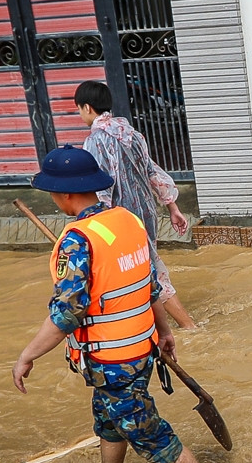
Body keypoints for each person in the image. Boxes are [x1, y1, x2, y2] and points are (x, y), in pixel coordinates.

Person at [11, 147, 218, 463]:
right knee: (108, 416)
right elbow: (151, 285)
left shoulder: (78, 241)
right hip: (142, 348)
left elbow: (66, 314)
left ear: (65, 195)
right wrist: (165, 332)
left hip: (113, 358)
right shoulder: (127, 220)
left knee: (147, 432)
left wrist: (27, 355)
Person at [73, 80, 194, 328]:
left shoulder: (95, 141)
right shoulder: (130, 132)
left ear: (87, 107)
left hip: (120, 218)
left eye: (78, 109)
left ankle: (188, 326)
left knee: (148, 270)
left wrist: (92, 224)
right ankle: (147, 322)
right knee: (140, 265)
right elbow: (152, 171)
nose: (79, 114)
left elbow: (103, 187)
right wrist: (172, 207)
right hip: (146, 213)